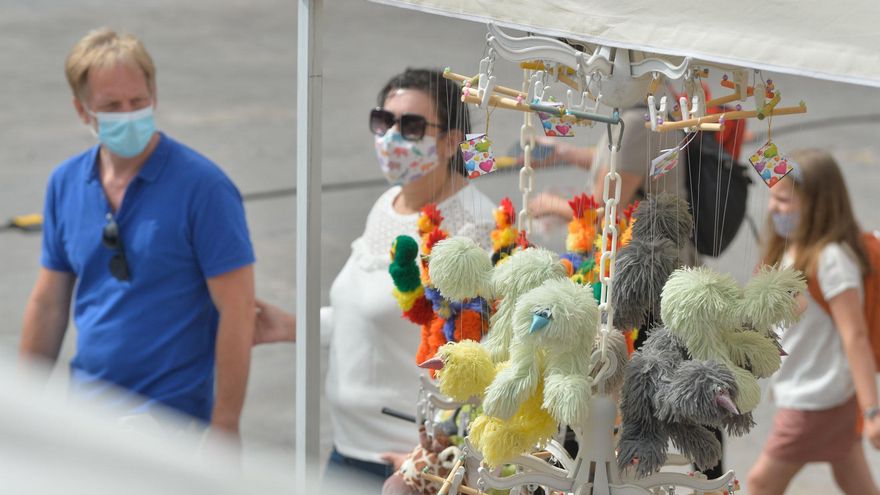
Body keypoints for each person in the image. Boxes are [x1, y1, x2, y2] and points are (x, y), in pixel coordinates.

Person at [255, 68, 495, 490]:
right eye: (383, 122)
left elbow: (486, 353)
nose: (391, 137)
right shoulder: (389, 204)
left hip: (412, 464)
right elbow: (364, 315)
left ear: (451, 140)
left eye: (412, 125)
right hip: (348, 449)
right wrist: (292, 327)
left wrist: (442, 451)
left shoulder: (475, 224)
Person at [19, 28, 256, 436]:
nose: (128, 114)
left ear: (154, 96)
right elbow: (49, 305)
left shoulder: (204, 188)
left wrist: (225, 425)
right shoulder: (65, 183)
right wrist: (20, 411)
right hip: (88, 420)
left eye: (138, 102)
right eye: (112, 105)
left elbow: (237, 310)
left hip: (173, 426)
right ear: (82, 111)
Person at [747, 149, 880, 495]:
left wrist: (873, 411)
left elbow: (856, 337)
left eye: (784, 201)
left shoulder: (832, 260)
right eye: (772, 198)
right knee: (853, 479)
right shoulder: (794, 249)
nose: (773, 208)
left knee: (761, 484)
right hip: (825, 394)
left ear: (817, 204)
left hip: (816, 400)